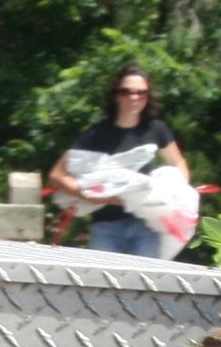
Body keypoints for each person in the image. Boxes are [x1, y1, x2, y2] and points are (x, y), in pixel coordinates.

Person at [52, 66, 191, 258]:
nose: (134, 98)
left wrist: (176, 195)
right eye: (127, 92)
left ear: (148, 97)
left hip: (146, 225)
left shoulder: (156, 130)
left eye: (141, 93)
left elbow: (178, 163)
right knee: (103, 285)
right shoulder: (97, 134)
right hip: (106, 226)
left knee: (145, 285)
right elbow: (57, 175)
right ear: (116, 95)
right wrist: (88, 195)